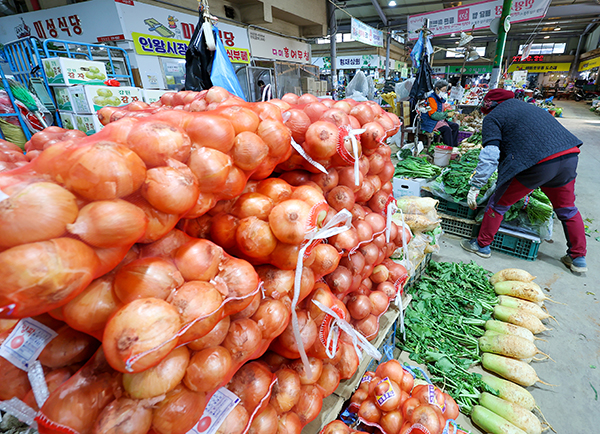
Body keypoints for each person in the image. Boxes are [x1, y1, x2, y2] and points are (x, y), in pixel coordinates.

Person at [460, 89, 587, 273]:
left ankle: (481, 245)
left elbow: (490, 155)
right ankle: (578, 259)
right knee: (567, 209)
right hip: (568, 156)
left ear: (488, 105)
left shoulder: (493, 117)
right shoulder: (528, 107)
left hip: (537, 163)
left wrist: (476, 185)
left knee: (498, 203)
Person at [421, 80, 460, 147]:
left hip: (438, 120)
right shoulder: (431, 98)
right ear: (437, 89)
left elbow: (441, 110)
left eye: (445, 90)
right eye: (443, 90)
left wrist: (449, 113)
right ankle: (448, 148)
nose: (444, 92)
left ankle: (454, 146)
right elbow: (433, 115)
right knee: (446, 129)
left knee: (455, 126)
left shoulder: (439, 98)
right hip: (430, 122)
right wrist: (446, 114)